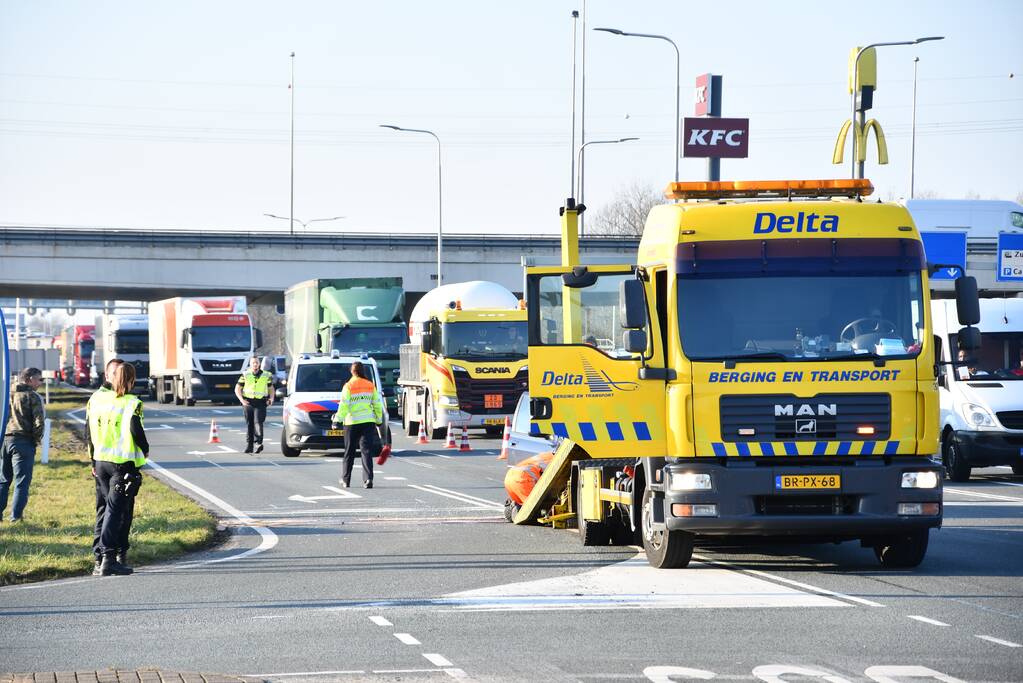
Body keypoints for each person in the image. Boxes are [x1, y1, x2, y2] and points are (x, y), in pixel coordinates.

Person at [88, 362, 148, 576]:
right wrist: (145, 449)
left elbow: (90, 429)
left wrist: (92, 459)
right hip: (121, 464)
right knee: (115, 511)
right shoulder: (132, 402)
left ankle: (100, 558)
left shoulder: (99, 399)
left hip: (100, 461)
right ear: (131, 380)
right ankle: (108, 559)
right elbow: (136, 429)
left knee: (105, 509)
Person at [85, 358, 125, 574]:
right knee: (107, 509)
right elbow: (89, 431)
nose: (120, 377)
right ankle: (103, 557)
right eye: (116, 373)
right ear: (107, 375)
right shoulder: (104, 398)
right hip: (108, 463)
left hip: (108, 462)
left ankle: (111, 555)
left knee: (113, 510)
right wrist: (93, 460)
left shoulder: (117, 398)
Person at [1, 367, 45, 522]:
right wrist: (36, 439)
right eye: (39, 379)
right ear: (29, 379)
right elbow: (39, 422)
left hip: (5, 439)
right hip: (23, 441)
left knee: (4, 480)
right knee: (21, 482)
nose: (40, 383)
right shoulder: (32, 396)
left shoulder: (7, 393)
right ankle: (16, 517)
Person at [332, 361, 385, 489]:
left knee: (349, 452)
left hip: (352, 422)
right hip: (368, 422)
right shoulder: (370, 385)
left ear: (352, 371)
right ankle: (368, 479)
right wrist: (378, 420)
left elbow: (344, 405)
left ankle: (346, 480)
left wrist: (337, 420)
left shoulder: (348, 386)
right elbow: (377, 404)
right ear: (362, 371)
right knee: (366, 451)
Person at [235, 356, 274, 454]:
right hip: (248, 402)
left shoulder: (266, 375)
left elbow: (271, 388)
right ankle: (249, 446)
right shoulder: (245, 374)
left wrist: (271, 398)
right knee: (250, 424)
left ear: (259, 363)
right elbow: (237, 389)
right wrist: (242, 400)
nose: (255, 364)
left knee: (258, 422)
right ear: (250, 364)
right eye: (253, 363)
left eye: (257, 362)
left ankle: (258, 443)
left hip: (261, 402)